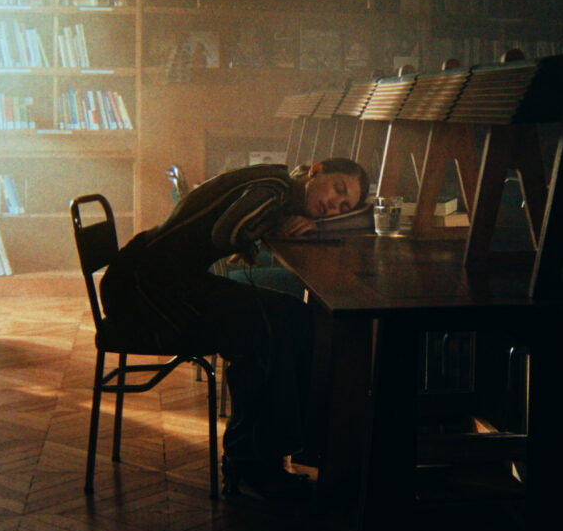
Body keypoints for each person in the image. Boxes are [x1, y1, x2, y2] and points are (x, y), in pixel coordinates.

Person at [100, 158, 369, 497]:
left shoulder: (277, 183)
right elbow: (227, 231)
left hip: (166, 280)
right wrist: (280, 223)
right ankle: (248, 468)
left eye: (343, 207)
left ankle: (277, 456)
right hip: (144, 290)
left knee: (295, 317)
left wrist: (298, 222)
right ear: (316, 170)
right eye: (338, 189)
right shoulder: (273, 189)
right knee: (264, 329)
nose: (334, 204)